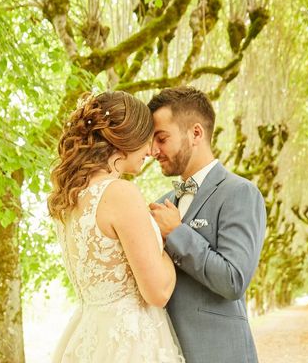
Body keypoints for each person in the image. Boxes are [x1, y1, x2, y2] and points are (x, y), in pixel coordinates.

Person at [49, 91, 185, 362]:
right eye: (146, 138)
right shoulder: (120, 193)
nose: (151, 150)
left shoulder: (68, 199)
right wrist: (171, 234)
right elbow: (157, 292)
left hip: (90, 333)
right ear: (124, 139)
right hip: (129, 343)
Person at [148, 86, 266, 363]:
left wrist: (177, 233)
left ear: (196, 134)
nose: (154, 151)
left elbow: (233, 280)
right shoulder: (163, 203)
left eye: (161, 138)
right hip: (165, 351)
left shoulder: (240, 193)